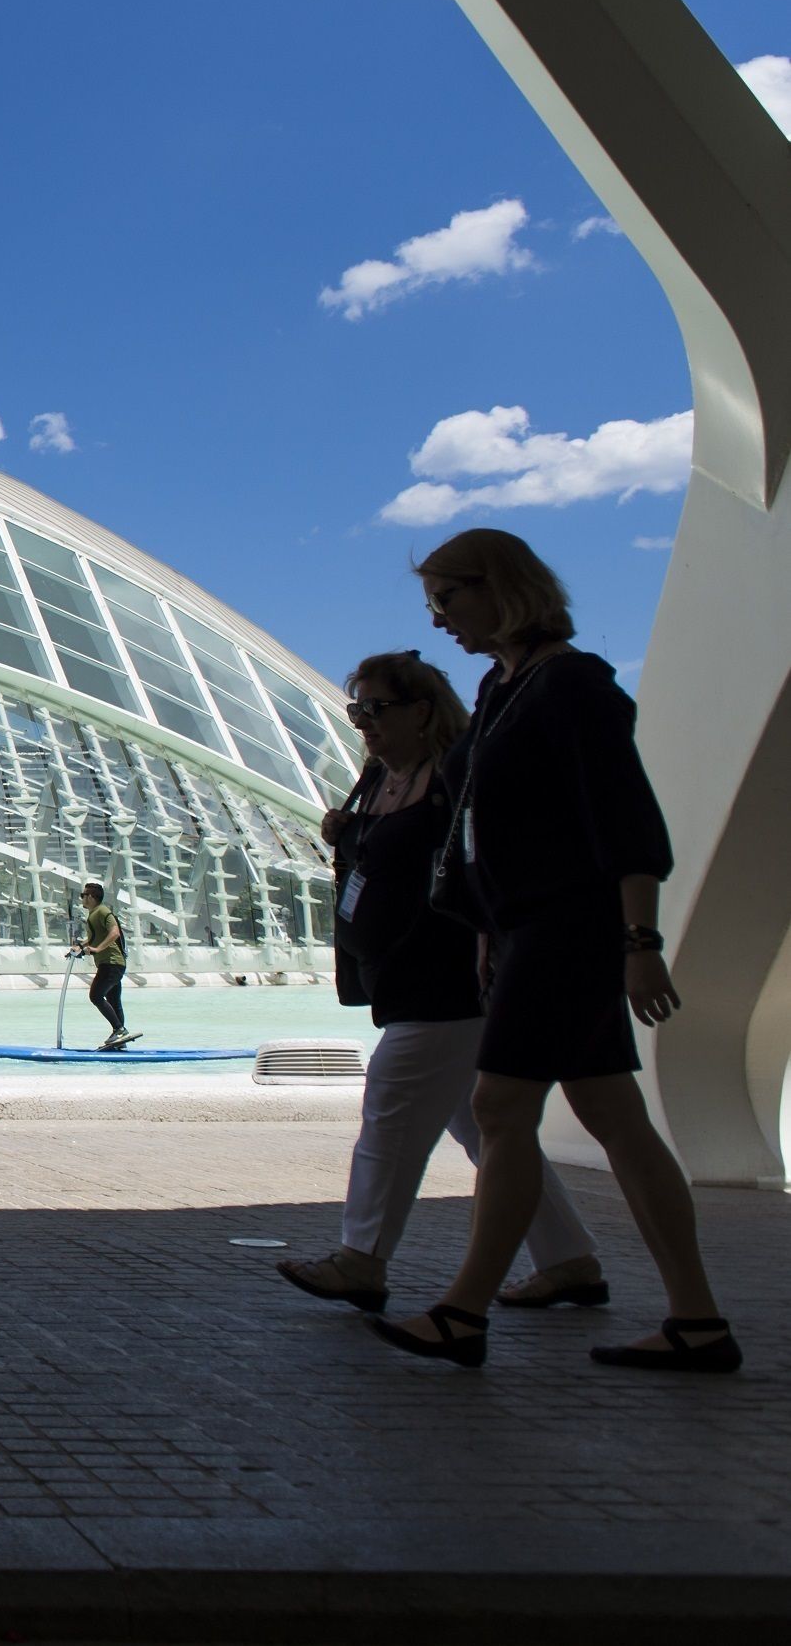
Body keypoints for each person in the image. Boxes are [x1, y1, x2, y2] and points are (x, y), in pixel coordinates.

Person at [373, 529, 738, 1372]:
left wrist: (638, 939)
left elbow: (624, 818)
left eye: (449, 599)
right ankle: (698, 1318)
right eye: (432, 607)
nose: (441, 622)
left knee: (502, 1108)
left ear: (501, 586)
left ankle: (464, 1310)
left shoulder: (573, 686)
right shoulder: (504, 688)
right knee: (615, 1119)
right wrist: (485, 931)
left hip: (567, 928)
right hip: (525, 931)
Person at [279, 649, 604, 1316]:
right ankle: (570, 1261)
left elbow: (483, 860)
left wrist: (490, 942)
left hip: (448, 977)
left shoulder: (451, 778)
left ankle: (360, 1259)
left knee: (390, 1111)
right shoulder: (378, 780)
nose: (364, 722)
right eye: (357, 708)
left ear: (422, 709)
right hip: (400, 977)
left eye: (377, 708)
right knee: (486, 1130)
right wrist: (349, 829)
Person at [69, 884, 135, 1050]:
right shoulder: (94, 914)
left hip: (111, 963)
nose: (82, 898)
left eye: (83, 895)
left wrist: (98, 949)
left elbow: (114, 932)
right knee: (113, 1001)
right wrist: (81, 947)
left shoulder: (102, 911)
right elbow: (96, 938)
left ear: (91, 896)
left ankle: (120, 1031)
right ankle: (121, 1042)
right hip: (113, 963)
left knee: (96, 995)